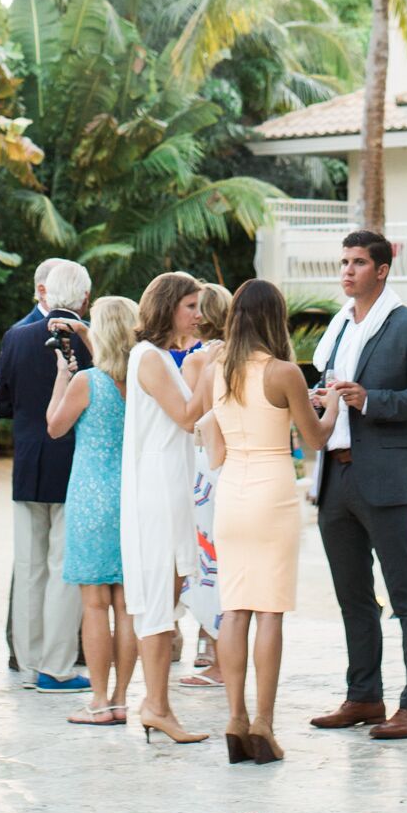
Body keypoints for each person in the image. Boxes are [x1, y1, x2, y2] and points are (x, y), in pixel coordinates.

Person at [307, 228, 407, 742]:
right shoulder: (339, 328)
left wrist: (372, 400)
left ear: (382, 270)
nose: (347, 270)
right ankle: (364, 696)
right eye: (343, 261)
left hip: (385, 475)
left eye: (358, 262)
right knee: (352, 595)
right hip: (335, 474)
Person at [200, 279, 327, 765]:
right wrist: (331, 407)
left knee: (235, 608)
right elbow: (314, 439)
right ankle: (264, 725)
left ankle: (234, 718)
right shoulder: (284, 372)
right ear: (276, 318)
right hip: (273, 491)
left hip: (231, 492)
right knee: (269, 610)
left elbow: (220, 439)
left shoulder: (220, 370)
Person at [118, 272, 208, 741]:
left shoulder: (164, 359)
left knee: (168, 594)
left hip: (170, 481)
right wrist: (212, 369)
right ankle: (155, 704)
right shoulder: (149, 357)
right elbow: (187, 416)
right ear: (168, 307)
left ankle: (158, 702)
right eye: (191, 306)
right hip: (155, 486)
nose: (198, 314)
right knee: (156, 595)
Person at [0, 258, 92, 693]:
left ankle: (30, 661)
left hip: (28, 462)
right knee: (62, 568)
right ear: (85, 298)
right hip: (74, 462)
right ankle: (57, 664)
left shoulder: (15, 338)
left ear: (46, 293)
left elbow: (3, 404)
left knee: (30, 565)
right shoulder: (92, 341)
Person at [47, 296, 136, 724]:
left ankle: (99, 700)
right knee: (126, 605)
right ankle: (121, 698)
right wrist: (84, 333)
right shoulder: (141, 379)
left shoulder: (87, 382)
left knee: (95, 606)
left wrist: (62, 377)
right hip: (132, 496)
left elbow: (55, 426)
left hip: (90, 496)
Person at [181, 280, 232, 685]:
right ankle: (216, 646)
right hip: (234, 463)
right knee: (223, 558)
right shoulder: (241, 355)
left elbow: (188, 419)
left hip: (203, 463)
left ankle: (213, 651)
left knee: (204, 558)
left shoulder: (198, 361)